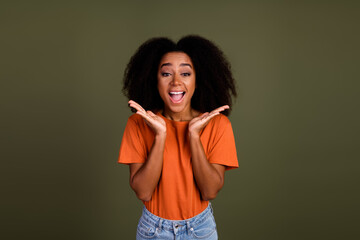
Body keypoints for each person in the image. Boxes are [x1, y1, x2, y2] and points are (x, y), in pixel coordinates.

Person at [118, 35, 238, 240]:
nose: (176, 82)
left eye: (185, 73)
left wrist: (193, 136)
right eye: (166, 73)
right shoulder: (138, 124)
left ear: (197, 80)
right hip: (153, 230)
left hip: (200, 229)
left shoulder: (218, 125)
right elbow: (144, 193)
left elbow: (209, 191)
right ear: (154, 80)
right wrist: (160, 135)